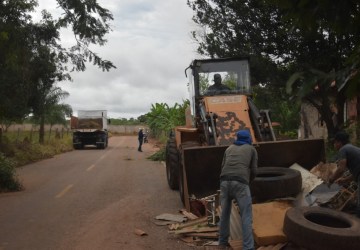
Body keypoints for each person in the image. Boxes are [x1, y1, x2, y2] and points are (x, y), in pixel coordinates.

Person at [218, 130, 257, 250]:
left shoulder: (229, 148)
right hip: (240, 183)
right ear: (249, 139)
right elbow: (254, 170)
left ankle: (222, 243)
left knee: (224, 214)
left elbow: (222, 166)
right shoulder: (251, 149)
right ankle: (248, 247)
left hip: (224, 182)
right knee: (246, 215)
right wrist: (247, 183)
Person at [328, 131, 360, 218]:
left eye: (334, 142)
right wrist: (344, 180)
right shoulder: (352, 148)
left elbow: (341, 169)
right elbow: (356, 174)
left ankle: (356, 229)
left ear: (339, 142)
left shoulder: (343, 149)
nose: (334, 145)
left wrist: (331, 179)